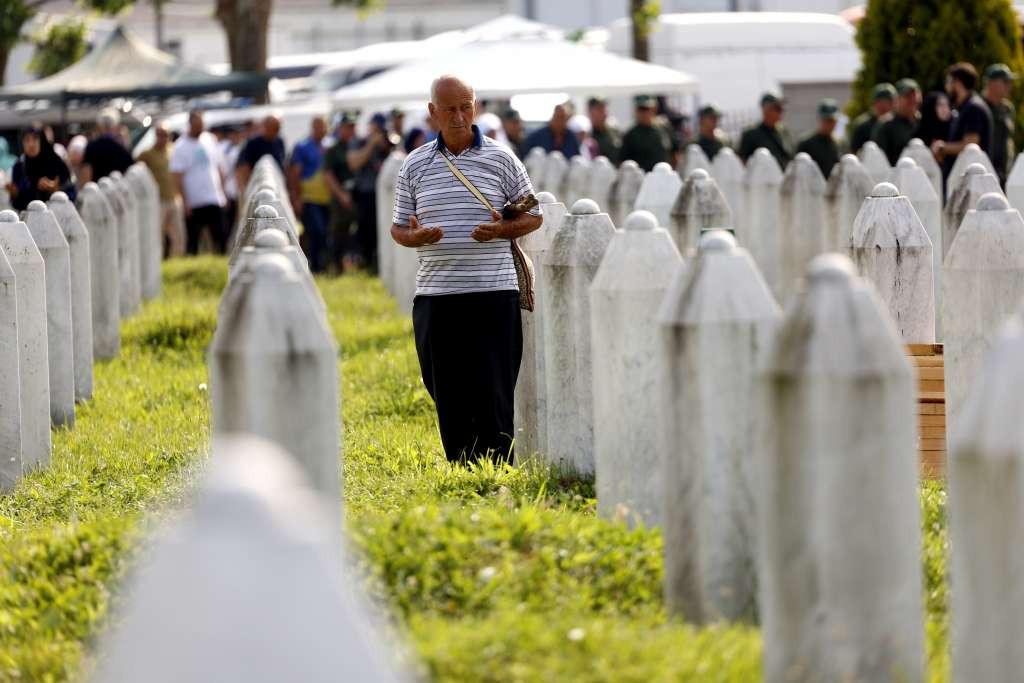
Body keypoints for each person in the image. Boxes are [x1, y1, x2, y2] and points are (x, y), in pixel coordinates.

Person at [391, 75, 541, 465]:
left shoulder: (503, 158)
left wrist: (502, 229)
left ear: (475, 107)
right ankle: (462, 467)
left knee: (495, 389)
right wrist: (415, 237)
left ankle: (498, 471)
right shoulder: (414, 164)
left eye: (466, 107)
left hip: (494, 293)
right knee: (446, 388)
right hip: (437, 295)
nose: (459, 117)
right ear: (432, 112)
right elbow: (398, 228)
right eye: (449, 109)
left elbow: (533, 214)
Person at [169, 110, 227, 255]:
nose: (200, 128)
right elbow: (177, 176)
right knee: (193, 241)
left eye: (201, 125)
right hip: (194, 200)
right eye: (197, 125)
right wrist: (185, 201)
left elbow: (219, 167)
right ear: (190, 125)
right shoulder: (180, 146)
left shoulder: (209, 139)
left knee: (220, 236)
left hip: (213, 196)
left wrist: (223, 192)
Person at [347, 112, 392, 269]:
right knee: (365, 230)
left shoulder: (390, 141)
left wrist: (386, 146)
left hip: (385, 195)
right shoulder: (359, 142)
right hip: (365, 194)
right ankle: (365, 262)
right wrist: (372, 144)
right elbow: (354, 163)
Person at [933, 62, 993, 180]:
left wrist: (942, 147)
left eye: (949, 82)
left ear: (958, 83)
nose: (947, 87)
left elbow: (970, 144)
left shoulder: (973, 108)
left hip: (972, 180)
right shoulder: (964, 107)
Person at [288, 115, 332, 273]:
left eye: (323, 126)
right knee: (316, 231)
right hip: (309, 198)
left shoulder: (329, 144)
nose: (321, 130)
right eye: (318, 127)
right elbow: (294, 173)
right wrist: (296, 198)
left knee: (325, 232)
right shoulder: (302, 146)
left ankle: (321, 265)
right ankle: (314, 266)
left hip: (327, 199)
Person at [137, 122, 186, 258]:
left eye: (165, 135)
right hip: (158, 200)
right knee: (158, 235)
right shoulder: (147, 154)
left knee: (179, 235)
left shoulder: (174, 150)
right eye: (160, 135)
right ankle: (158, 261)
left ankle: (178, 261)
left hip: (174, 198)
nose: (163, 138)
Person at [323, 112, 358, 273]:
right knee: (338, 232)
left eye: (353, 126)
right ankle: (336, 266)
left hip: (356, 195)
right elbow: (328, 175)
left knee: (355, 232)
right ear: (340, 128)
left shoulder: (356, 146)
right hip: (340, 197)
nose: (351, 130)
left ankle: (354, 264)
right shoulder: (333, 149)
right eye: (348, 127)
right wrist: (341, 195)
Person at [7, 126, 72, 211]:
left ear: (42, 140)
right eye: (27, 140)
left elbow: (71, 192)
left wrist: (55, 189)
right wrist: (15, 194)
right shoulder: (19, 166)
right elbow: (17, 204)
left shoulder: (55, 162)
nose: (31, 144)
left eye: (35, 139)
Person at [737, 92, 793, 168]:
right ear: (766, 109)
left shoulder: (784, 131)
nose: (781, 111)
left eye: (781, 108)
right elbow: (743, 162)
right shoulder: (750, 134)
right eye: (777, 108)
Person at [873, 78, 921, 165]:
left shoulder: (923, 122)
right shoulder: (886, 125)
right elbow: (880, 161)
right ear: (897, 99)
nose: (912, 100)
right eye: (907, 96)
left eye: (914, 95)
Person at [80, 108, 133, 185]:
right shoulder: (121, 148)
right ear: (116, 127)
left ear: (98, 126)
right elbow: (129, 173)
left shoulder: (92, 147)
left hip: (96, 189)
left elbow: (86, 173)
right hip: (118, 189)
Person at [983, 63, 1016, 185]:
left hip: (1005, 172)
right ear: (990, 83)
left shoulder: (1007, 108)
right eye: (1005, 82)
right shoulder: (979, 107)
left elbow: (1009, 139)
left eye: (1010, 82)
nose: (1009, 86)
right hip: (985, 172)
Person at [235, 114, 285, 194]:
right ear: (266, 126)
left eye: (278, 128)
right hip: (257, 187)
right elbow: (243, 167)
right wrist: (244, 189)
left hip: (277, 186)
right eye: (275, 128)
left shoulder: (279, 141)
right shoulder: (253, 143)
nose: (277, 131)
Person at [620, 95, 672, 171]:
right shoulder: (630, 135)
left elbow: (675, 153)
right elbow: (624, 162)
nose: (644, 113)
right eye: (641, 109)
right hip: (642, 176)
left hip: (663, 174)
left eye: (646, 109)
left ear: (654, 109)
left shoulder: (664, 128)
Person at [796, 99, 841, 179]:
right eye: (826, 120)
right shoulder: (806, 144)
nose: (829, 124)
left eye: (832, 120)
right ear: (819, 119)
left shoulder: (840, 144)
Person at [848, 83, 896, 154]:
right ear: (875, 102)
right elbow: (853, 152)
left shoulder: (898, 123)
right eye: (881, 101)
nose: (885, 105)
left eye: (889, 102)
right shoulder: (862, 125)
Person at [587, 96, 620, 162]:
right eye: (599, 109)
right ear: (590, 112)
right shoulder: (587, 135)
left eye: (604, 108)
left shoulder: (614, 132)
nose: (604, 112)